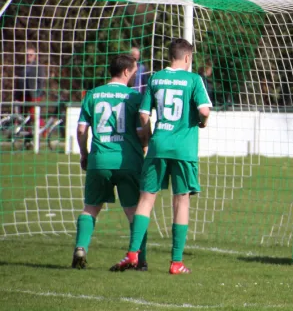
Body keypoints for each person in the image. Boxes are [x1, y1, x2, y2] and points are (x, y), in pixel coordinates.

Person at [111, 38, 212, 274]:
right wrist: (202, 123)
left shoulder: (156, 78)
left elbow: (144, 114)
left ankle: (133, 254)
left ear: (170, 56)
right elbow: (204, 111)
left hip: (158, 145)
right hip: (184, 149)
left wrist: (146, 138)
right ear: (187, 58)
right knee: (181, 200)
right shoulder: (194, 79)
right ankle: (176, 262)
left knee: (146, 199)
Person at [72, 54, 149, 270]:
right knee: (135, 212)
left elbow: (80, 130)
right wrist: (146, 144)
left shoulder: (93, 95)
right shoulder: (134, 97)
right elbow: (141, 130)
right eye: (134, 71)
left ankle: (81, 247)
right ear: (126, 72)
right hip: (128, 161)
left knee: (91, 208)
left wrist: (84, 153)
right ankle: (139, 259)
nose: (135, 75)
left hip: (100, 160)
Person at [14, 46, 46, 125]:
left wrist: (37, 94)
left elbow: (41, 82)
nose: (28, 56)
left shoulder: (38, 67)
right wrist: (16, 95)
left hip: (33, 95)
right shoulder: (22, 67)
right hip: (23, 94)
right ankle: (27, 134)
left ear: (34, 56)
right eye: (27, 55)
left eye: (30, 55)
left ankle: (44, 132)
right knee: (22, 115)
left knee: (34, 114)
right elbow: (18, 82)